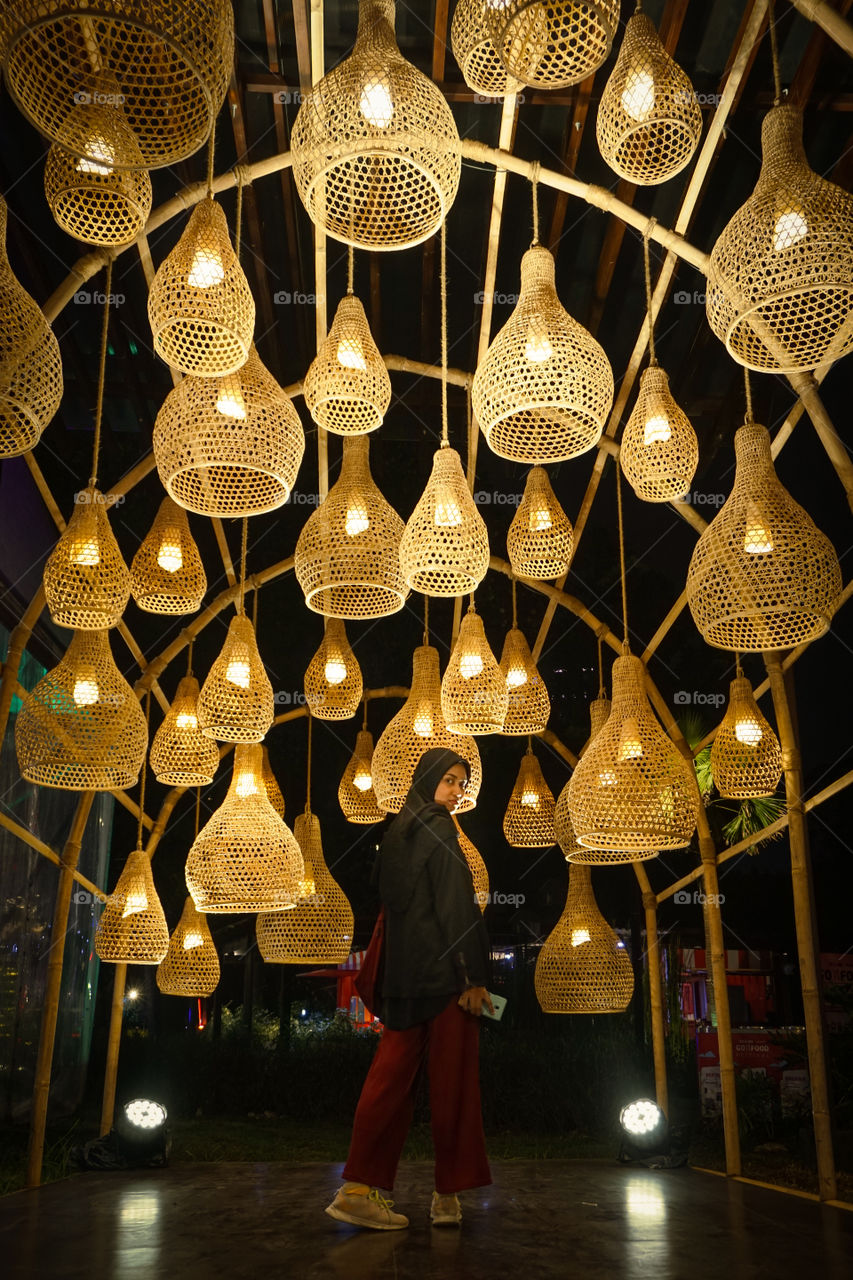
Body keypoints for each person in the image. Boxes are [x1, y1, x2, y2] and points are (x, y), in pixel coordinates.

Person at [325, 747, 493, 1231]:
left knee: (387, 1083)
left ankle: (357, 1189)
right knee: (454, 1086)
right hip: (446, 984)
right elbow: (456, 904)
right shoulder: (439, 828)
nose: (456, 792)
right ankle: (446, 1198)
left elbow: (395, 911)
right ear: (427, 780)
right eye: (450, 781)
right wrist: (474, 978)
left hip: (404, 984)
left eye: (462, 784)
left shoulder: (397, 831)